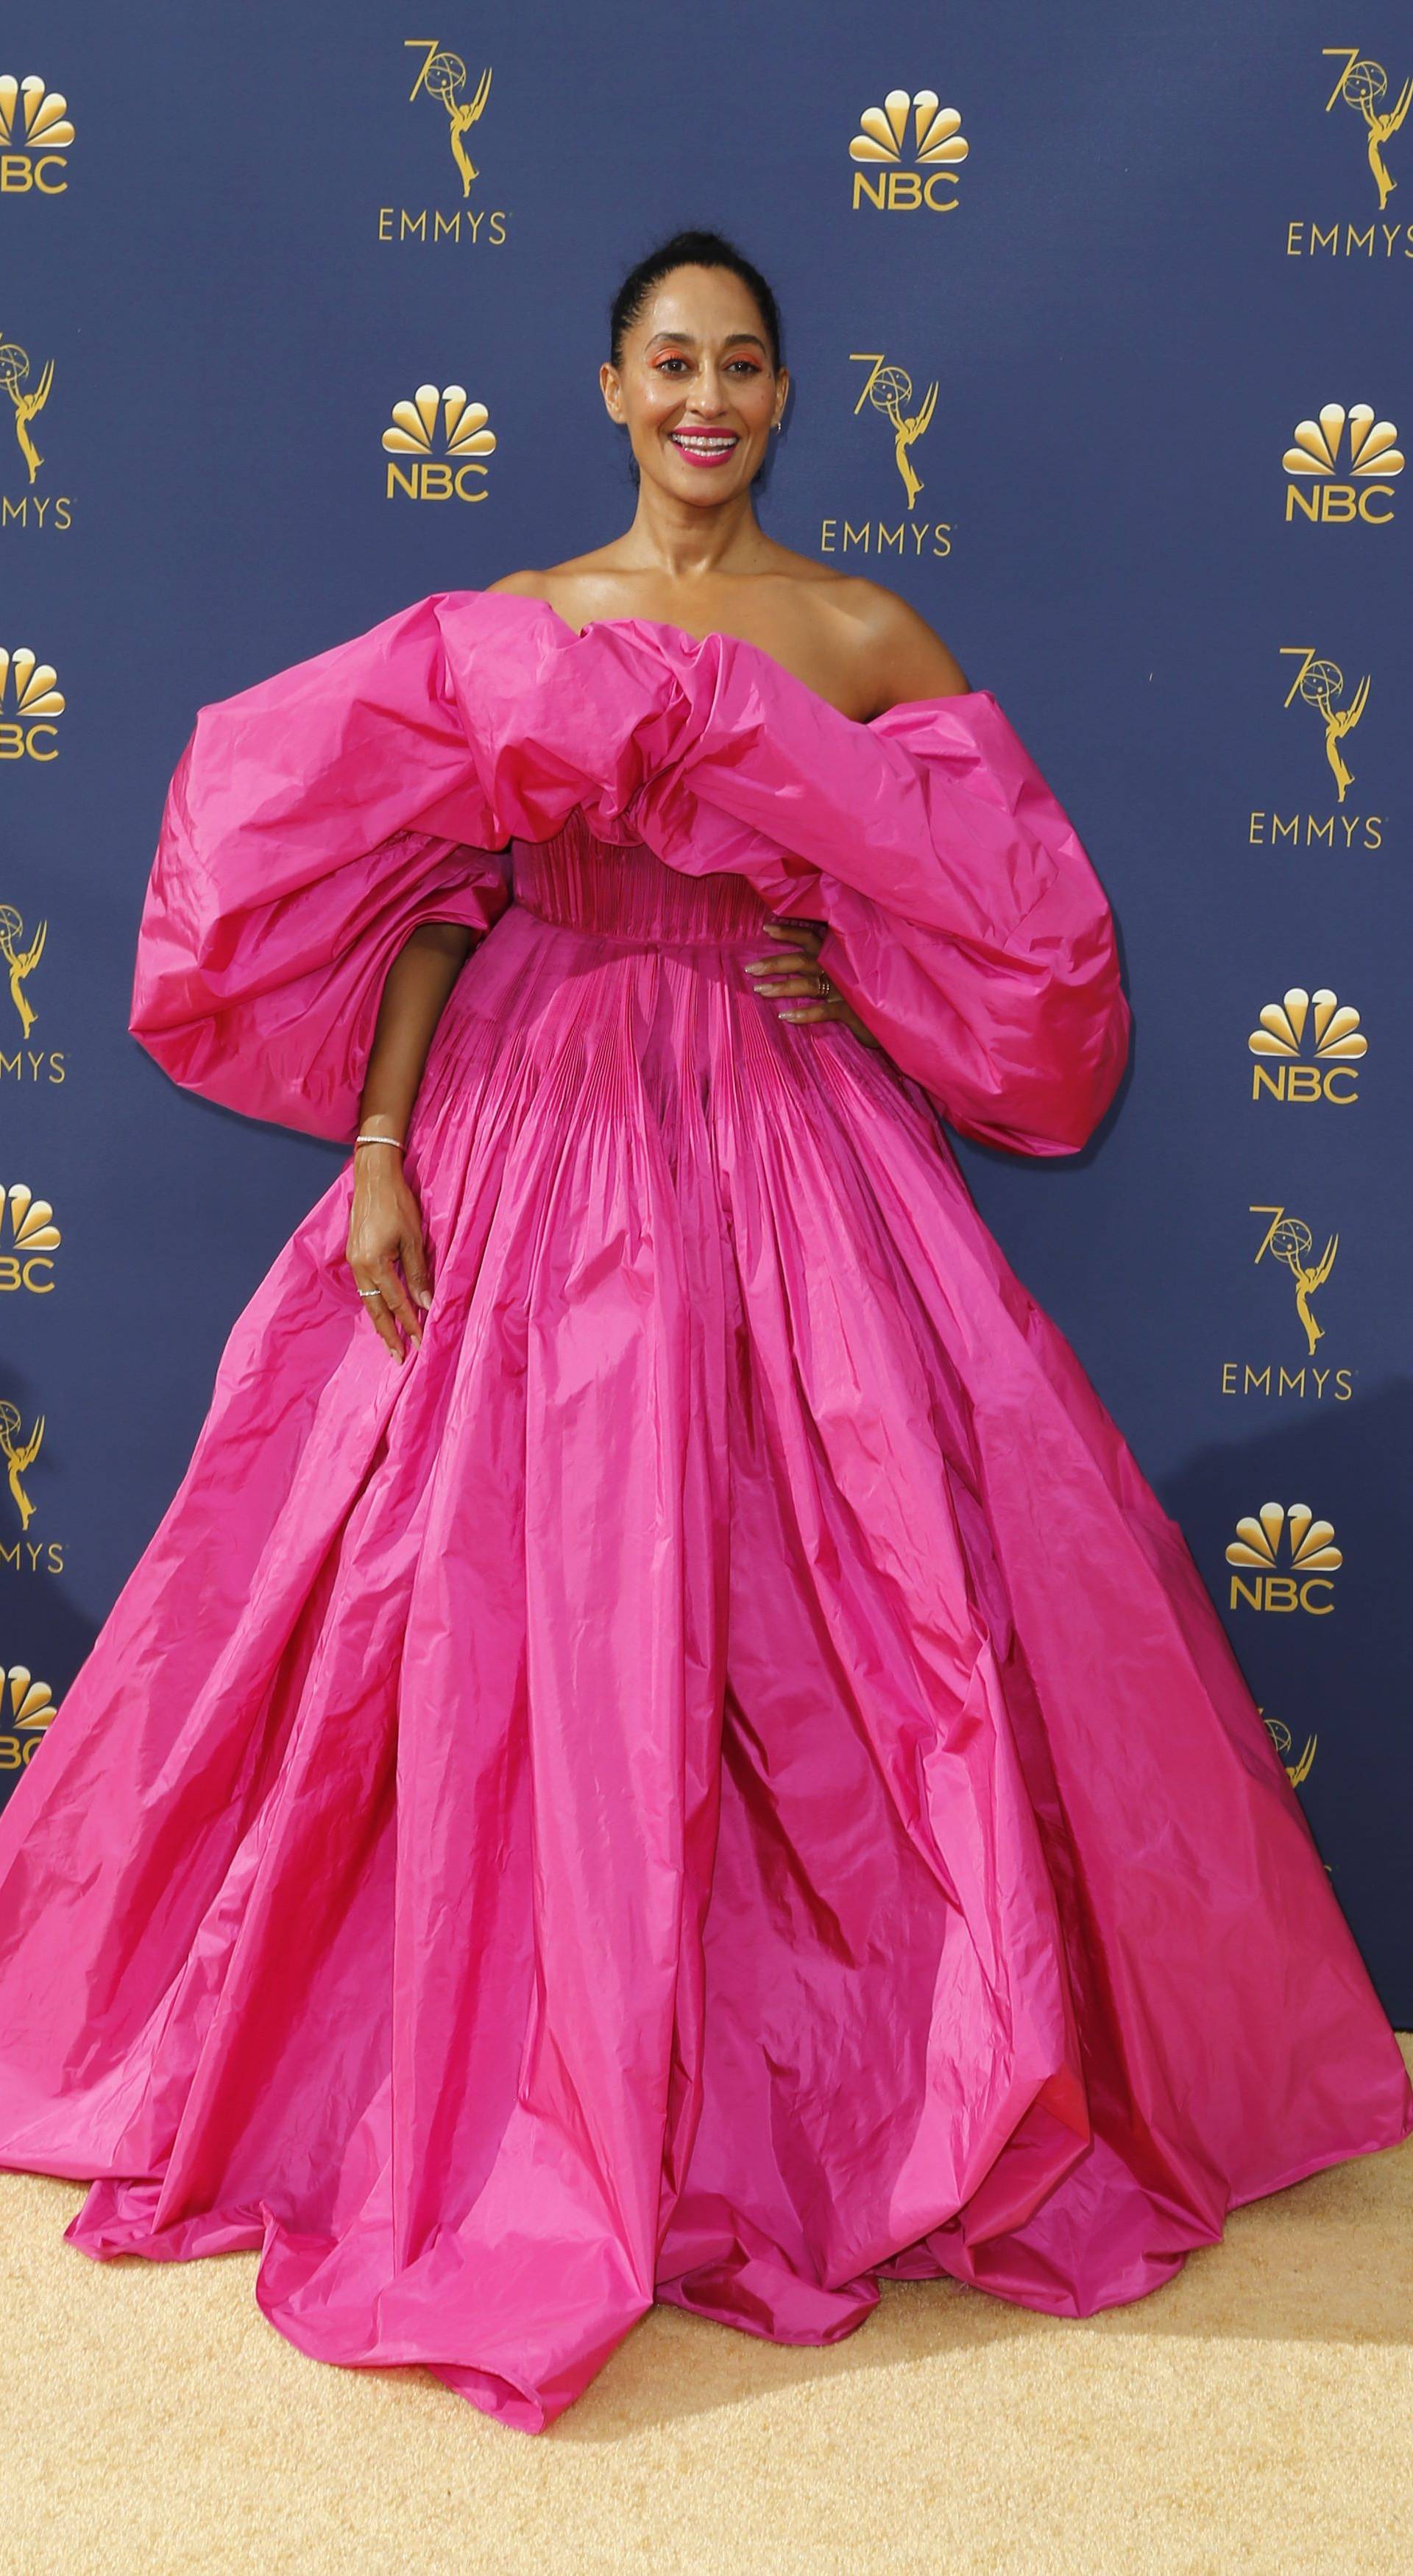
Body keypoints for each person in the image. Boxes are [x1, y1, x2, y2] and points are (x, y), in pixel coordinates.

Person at [0, 230, 1406, 2435]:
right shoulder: (523, 627)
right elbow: (443, 906)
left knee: (844, 1600)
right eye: (673, 362)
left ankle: (851, 2092)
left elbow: (1021, 942)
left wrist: (863, 969)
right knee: (488, 1602)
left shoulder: (857, 633)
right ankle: (510, 2074)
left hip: (782, 1144)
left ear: (784, 392)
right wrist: (380, 1143)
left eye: (743, 365)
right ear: (609, 383)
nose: (707, 399)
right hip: (531, 1123)